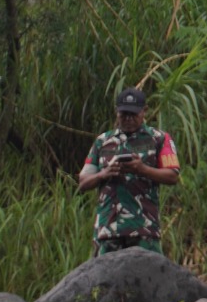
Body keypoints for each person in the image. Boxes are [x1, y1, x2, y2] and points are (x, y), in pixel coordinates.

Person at [77, 87, 180, 257]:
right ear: (116, 112)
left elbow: (172, 176)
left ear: (144, 111)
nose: (128, 119)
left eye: (133, 114)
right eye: (123, 114)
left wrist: (142, 169)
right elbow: (83, 182)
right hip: (108, 229)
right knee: (107, 281)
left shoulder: (159, 139)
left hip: (144, 229)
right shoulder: (103, 141)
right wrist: (104, 174)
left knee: (147, 280)